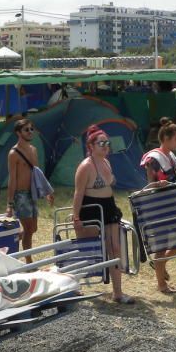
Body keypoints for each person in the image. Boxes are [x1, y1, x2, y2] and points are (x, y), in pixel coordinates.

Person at [72, 125, 132, 304]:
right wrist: (76, 217)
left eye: (107, 142)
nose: (106, 146)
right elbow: (78, 193)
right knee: (89, 250)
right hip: (91, 209)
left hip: (108, 208)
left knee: (115, 248)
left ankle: (118, 293)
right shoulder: (85, 167)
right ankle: (74, 286)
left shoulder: (106, 162)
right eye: (101, 143)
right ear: (90, 146)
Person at [140, 118, 176, 294]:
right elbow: (150, 185)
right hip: (159, 207)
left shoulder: (172, 157)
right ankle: (162, 285)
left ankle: (160, 263)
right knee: (161, 246)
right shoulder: (153, 158)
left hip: (174, 205)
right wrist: (159, 185)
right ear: (166, 138)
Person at [7, 118, 54, 262]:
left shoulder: (33, 150)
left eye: (31, 129)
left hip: (32, 193)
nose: (30, 132)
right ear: (18, 133)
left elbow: (37, 174)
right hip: (20, 195)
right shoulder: (13, 153)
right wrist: (10, 203)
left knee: (33, 228)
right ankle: (29, 262)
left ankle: (16, 236)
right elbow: (12, 179)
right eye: (26, 129)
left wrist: (47, 192)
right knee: (28, 230)